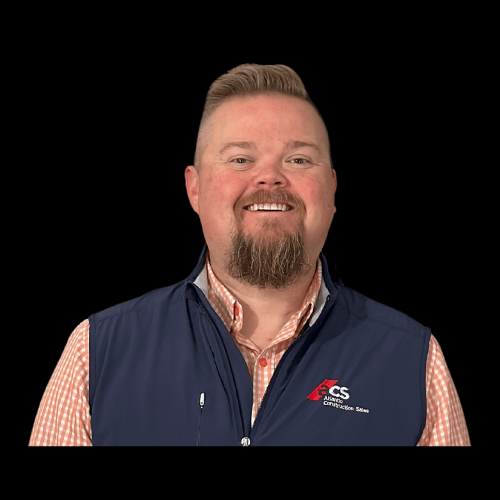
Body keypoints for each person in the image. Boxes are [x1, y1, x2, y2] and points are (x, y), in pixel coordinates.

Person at [29, 63, 470, 446]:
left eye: (298, 160)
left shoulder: (414, 361)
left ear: (332, 189)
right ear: (194, 188)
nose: (269, 178)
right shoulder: (96, 350)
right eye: (240, 159)